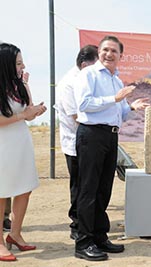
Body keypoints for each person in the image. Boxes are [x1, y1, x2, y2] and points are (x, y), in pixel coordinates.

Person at [73, 36, 150, 261]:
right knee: (88, 190)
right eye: (105, 50)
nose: (109, 54)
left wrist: (131, 107)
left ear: (120, 56)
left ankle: (99, 237)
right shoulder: (88, 74)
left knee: (103, 189)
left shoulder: (117, 80)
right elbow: (84, 105)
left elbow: (118, 113)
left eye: (114, 51)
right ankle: (83, 242)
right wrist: (115, 98)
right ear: (99, 52)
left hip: (110, 137)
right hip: (91, 135)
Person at [0, 42, 47, 261]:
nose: (23, 66)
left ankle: (15, 234)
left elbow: (27, 108)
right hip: (3, 146)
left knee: (24, 188)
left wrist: (36, 110)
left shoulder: (18, 85)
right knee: (1, 194)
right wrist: (23, 116)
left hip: (21, 143)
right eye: (18, 63)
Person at [54, 45, 98, 241]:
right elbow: (75, 116)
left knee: (91, 185)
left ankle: (89, 222)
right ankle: (77, 224)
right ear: (83, 64)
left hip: (91, 140)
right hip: (75, 143)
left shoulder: (87, 80)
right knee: (79, 186)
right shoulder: (69, 84)